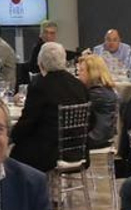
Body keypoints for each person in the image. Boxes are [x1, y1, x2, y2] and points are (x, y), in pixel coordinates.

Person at [8, 41, 90, 175]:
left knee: (14, 155)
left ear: (41, 64)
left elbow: (28, 122)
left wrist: (12, 136)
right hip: (78, 151)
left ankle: (30, 188)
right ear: (64, 61)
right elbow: (91, 121)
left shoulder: (40, 86)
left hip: (49, 154)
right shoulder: (79, 85)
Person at [78, 53, 121, 149]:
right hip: (105, 136)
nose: (78, 74)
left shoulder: (96, 94)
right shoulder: (106, 90)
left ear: (92, 72)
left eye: (81, 70)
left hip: (96, 138)